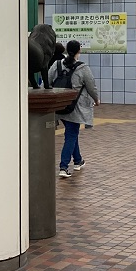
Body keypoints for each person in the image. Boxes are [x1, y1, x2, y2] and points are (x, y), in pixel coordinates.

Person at [48, 40, 99, 179]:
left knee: (72, 133)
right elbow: (91, 86)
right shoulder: (82, 68)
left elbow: (47, 80)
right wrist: (96, 99)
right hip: (75, 107)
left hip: (59, 106)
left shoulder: (57, 64)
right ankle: (63, 167)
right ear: (79, 51)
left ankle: (78, 161)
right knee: (71, 135)